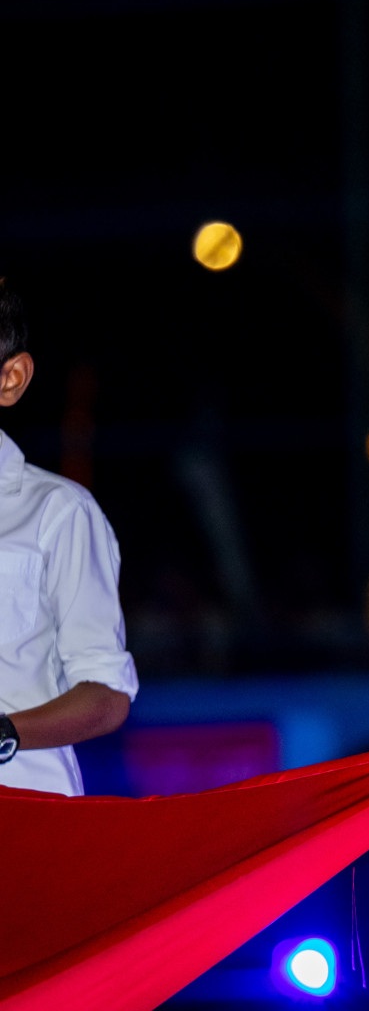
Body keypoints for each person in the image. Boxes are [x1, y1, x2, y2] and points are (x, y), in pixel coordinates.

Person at [0, 282, 137, 795]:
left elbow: (107, 694)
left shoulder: (57, 513)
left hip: (25, 818)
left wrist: (5, 733)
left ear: (10, 378)